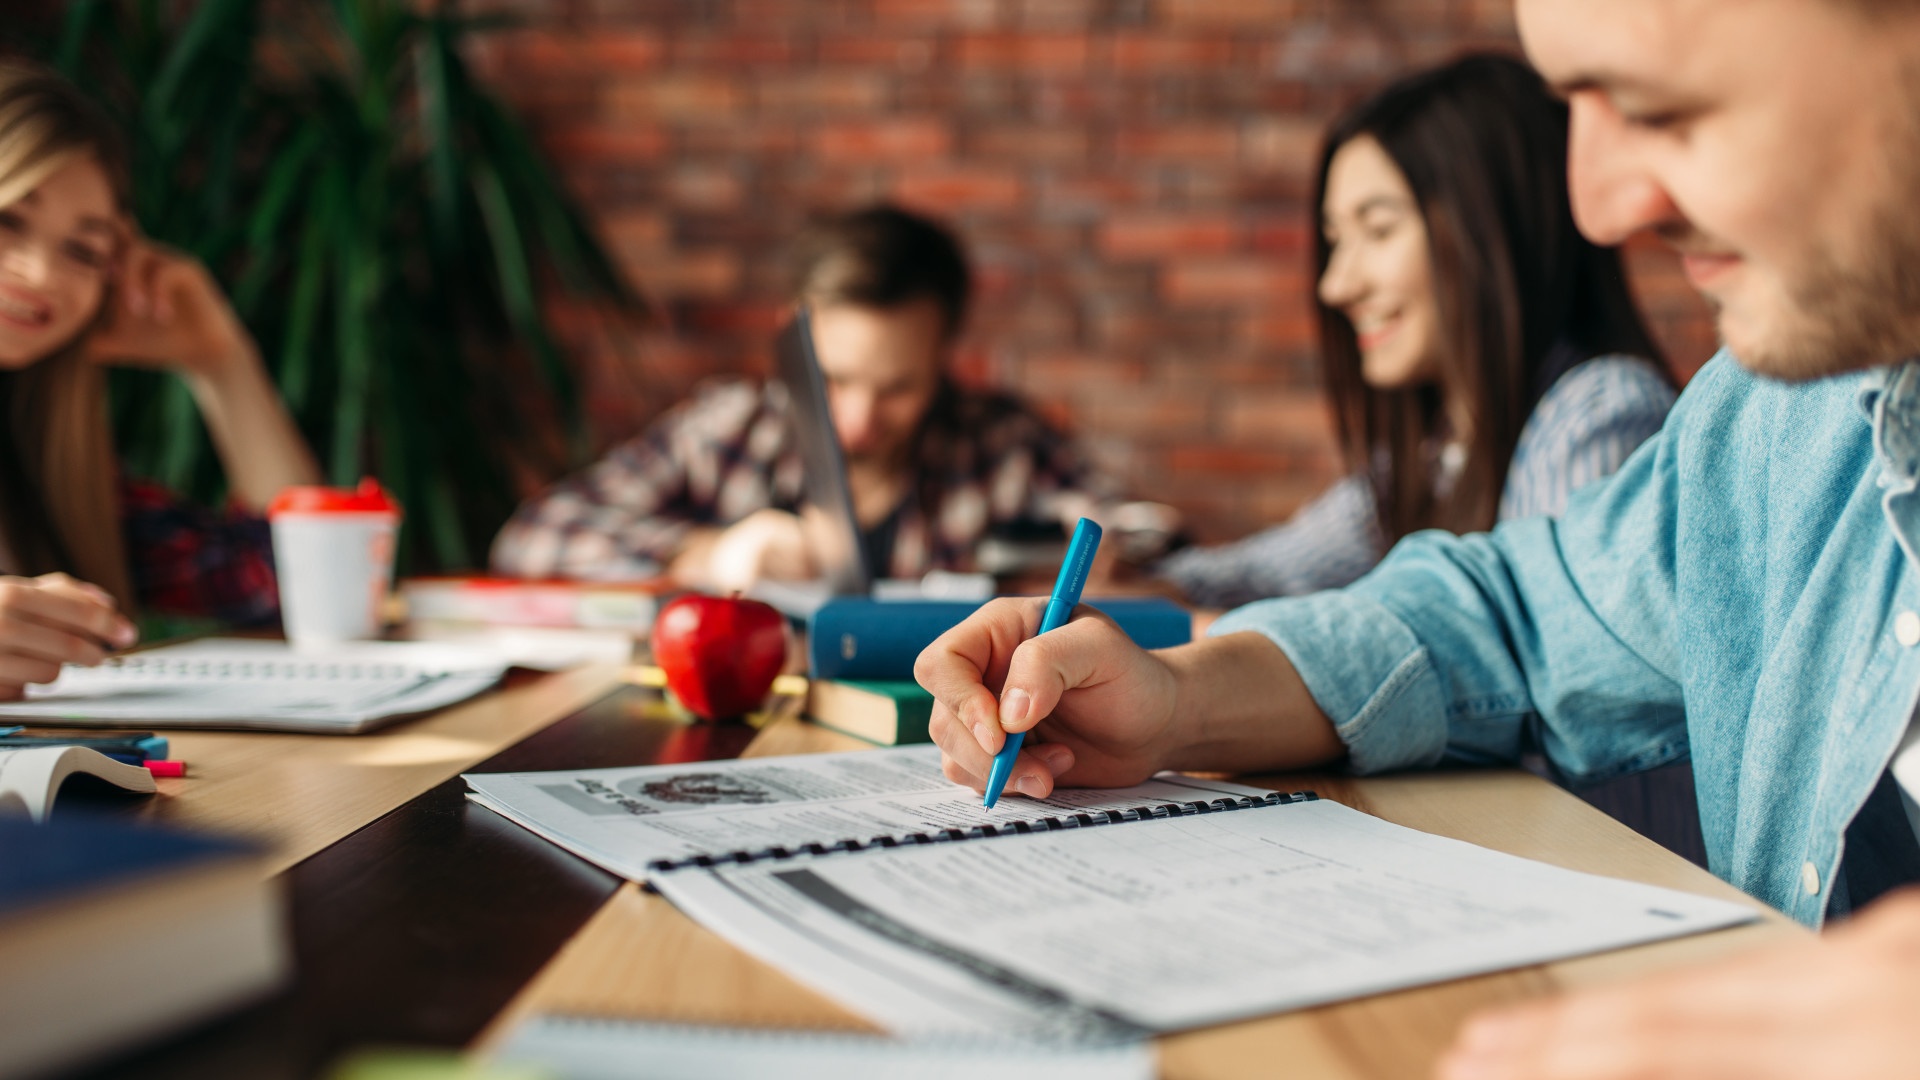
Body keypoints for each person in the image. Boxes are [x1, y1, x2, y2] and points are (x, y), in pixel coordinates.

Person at [914, 1, 1920, 1075]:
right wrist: (1182, 701)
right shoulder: (1783, 416)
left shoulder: (1612, 407)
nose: (1598, 206)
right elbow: (1511, 617)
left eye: (1659, 106)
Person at [1158, 54, 1673, 610]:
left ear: (1494, 229)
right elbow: (1268, 570)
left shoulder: (1598, 415)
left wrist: (1230, 647)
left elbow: (1530, 667)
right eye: (1336, 240)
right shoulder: (1440, 449)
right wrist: (1136, 580)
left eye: (1378, 231)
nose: (1336, 286)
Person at [492, 204, 1132, 590]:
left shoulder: (1004, 444)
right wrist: (708, 553)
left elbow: (1148, 540)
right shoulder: (730, 428)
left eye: (898, 388)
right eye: (835, 378)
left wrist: (1099, 567)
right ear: (793, 334)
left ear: (944, 354)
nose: (858, 420)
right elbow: (535, 536)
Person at [0, 60, 319, 701]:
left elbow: (294, 584)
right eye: (8, 220)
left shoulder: (44, 467)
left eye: (84, 252)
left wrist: (222, 363)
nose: (41, 274)